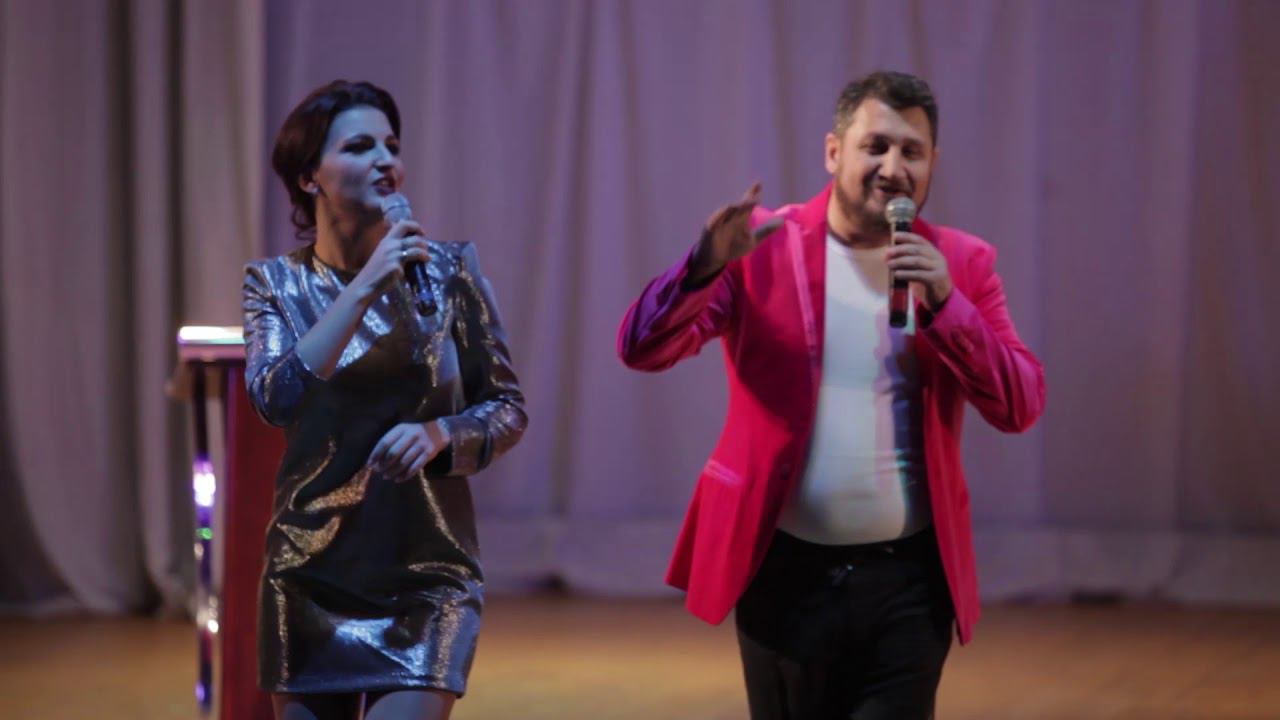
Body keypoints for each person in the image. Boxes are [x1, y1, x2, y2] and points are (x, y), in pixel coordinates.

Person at [617, 70, 1045, 719]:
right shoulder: (761, 245)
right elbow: (643, 349)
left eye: (912, 151)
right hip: (784, 578)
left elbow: (1020, 405)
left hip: (910, 584)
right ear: (833, 151)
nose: (894, 168)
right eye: (876, 146)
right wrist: (703, 268)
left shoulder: (961, 264)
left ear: (932, 163)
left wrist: (947, 304)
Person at [243, 80, 526, 720]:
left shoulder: (450, 272)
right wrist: (366, 285)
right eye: (360, 146)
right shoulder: (274, 285)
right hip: (309, 573)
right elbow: (276, 399)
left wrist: (441, 434)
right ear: (309, 176)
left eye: (392, 146)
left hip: (426, 574)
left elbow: (507, 408)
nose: (385, 161)